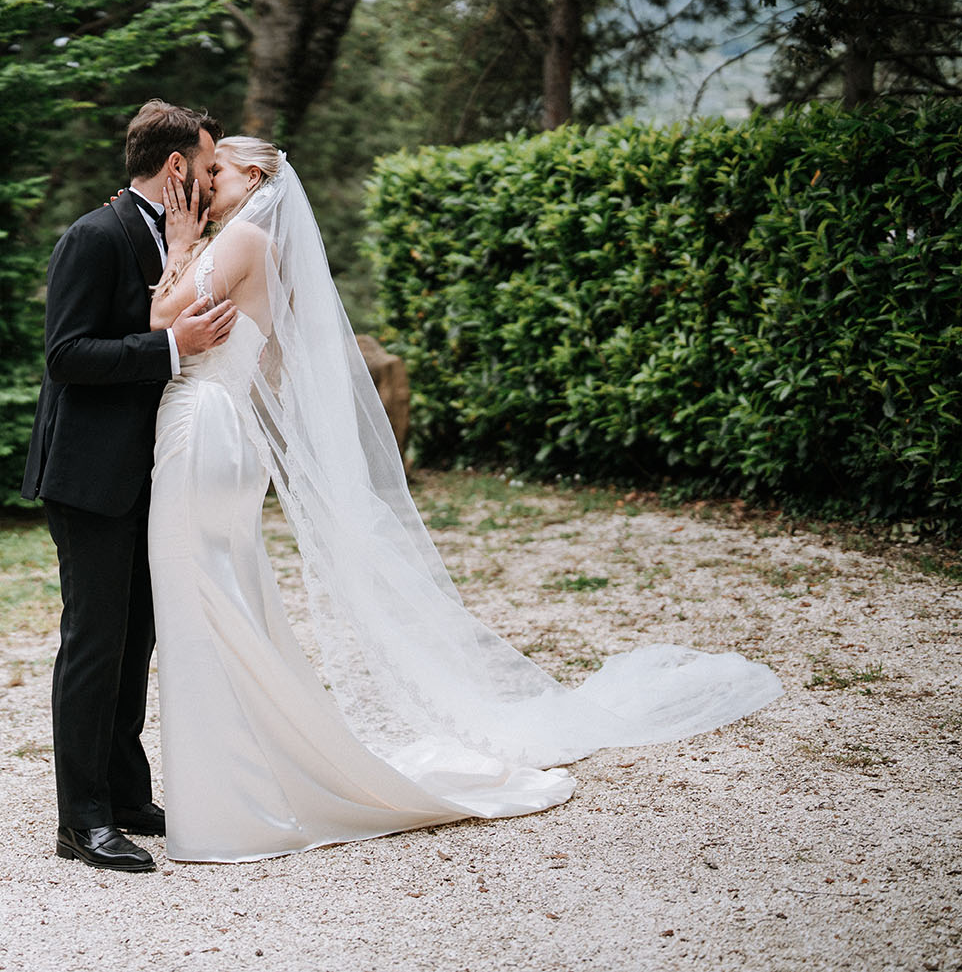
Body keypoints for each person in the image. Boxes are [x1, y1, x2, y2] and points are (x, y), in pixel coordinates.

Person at [143, 136, 784, 863]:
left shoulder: (243, 238)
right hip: (227, 430)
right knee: (226, 600)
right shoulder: (267, 248)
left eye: (217, 170)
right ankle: (242, 776)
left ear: (255, 175)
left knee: (208, 602)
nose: (203, 182)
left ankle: (241, 789)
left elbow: (163, 321)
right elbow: (271, 361)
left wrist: (178, 243)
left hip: (204, 425)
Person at [20, 100, 238, 873]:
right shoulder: (93, 235)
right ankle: (78, 821)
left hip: (145, 473)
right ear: (176, 167)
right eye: (208, 166)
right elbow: (67, 355)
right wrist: (170, 347)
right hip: (86, 476)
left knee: (136, 636)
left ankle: (124, 792)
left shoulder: (171, 236)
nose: (214, 179)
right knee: (94, 642)